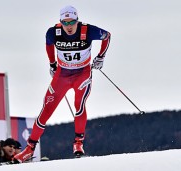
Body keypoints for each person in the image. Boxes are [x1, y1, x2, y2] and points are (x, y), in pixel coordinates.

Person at [13, 5, 111, 163]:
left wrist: (101, 57)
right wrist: (52, 64)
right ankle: (29, 149)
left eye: (72, 22)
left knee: (79, 104)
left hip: (82, 74)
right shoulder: (53, 32)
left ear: (77, 21)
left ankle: (78, 143)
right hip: (62, 76)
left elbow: (107, 36)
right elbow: (48, 45)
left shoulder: (88, 30)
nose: (69, 26)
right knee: (46, 110)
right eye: (65, 23)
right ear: (60, 22)